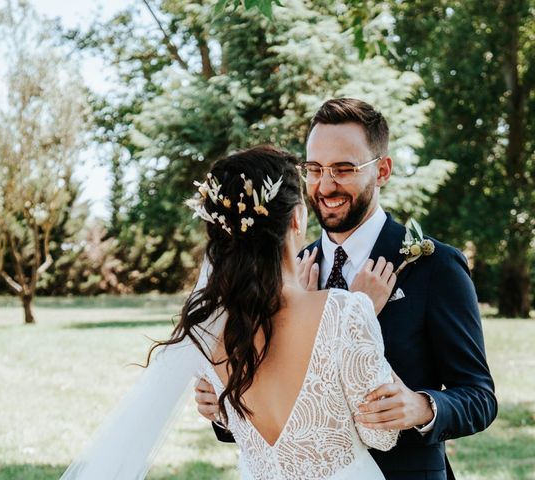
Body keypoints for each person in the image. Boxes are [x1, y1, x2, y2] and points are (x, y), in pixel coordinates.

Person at [196, 98, 498, 480]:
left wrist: (422, 406)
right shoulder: (283, 269)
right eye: (315, 169)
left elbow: (479, 396)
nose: (325, 185)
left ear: (382, 170)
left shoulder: (434, 266)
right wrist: (222, 405)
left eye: (344, 168)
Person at [61, 145, 401, 480]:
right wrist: (361, 314)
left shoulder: (210, 327)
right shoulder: (346, 310)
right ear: (297, 217)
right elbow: (381, 436)